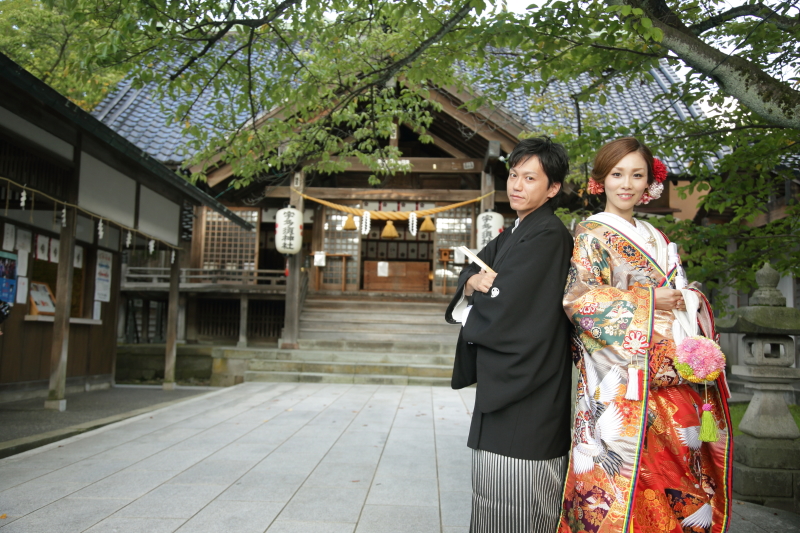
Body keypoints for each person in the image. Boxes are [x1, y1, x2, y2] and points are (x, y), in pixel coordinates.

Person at [558, 137, 732, 533]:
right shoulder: (591, 235)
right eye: (617, 174)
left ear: (648, 182)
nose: (627, 184)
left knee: (681, 458)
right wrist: (650, 300)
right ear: (599, 180)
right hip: (622, 378)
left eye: (637, 175)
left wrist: (687, 300)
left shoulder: (658, 237)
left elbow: (682, 293)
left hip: (674, 369)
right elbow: (580, 301)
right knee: (626, 466)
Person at [445, 137, 575, 533]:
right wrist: (472, 286)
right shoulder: (515, 232)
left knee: (520, 506)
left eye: (530, 178)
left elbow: (509, 306)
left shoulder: (549, 236)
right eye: (514, 175)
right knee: (491, 506)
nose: (516, 185)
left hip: (529, 390)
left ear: (552, 188)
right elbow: (472, 276)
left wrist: (485, 290)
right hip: (505, 389)